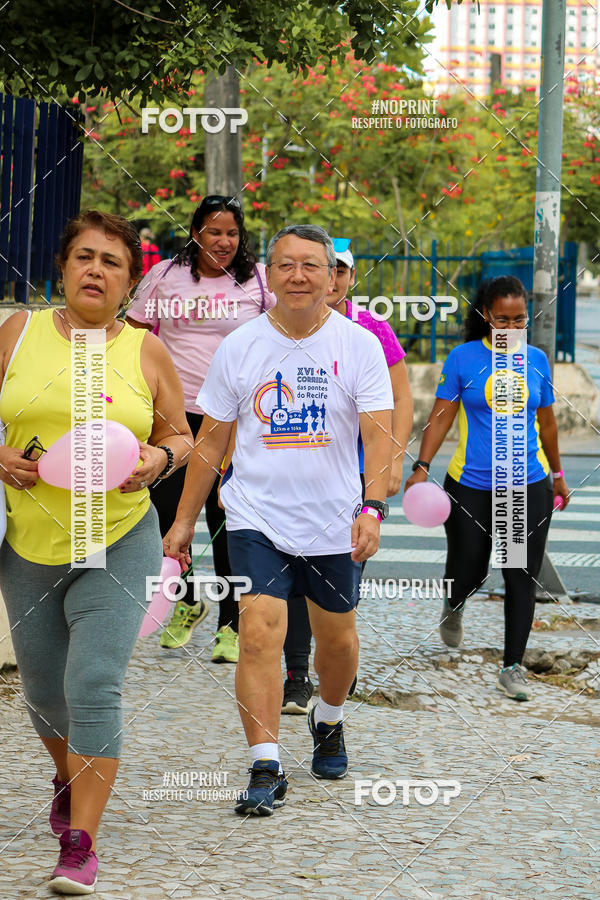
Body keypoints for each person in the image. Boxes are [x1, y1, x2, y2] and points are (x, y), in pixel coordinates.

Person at [164, 224, 393, 815]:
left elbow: (381, 437)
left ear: (332, 276)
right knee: (259, 630)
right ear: (268, 275)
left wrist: (372, 507)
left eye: (311, 265)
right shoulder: (240, 346)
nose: (298, 275)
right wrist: (185, 521)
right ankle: (266, 761)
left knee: (336, 638)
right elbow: (211, 444)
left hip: (333, 521)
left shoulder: (358, 345)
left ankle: (329, 716)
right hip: (254, 515)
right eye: (285, 265)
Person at [0, 209, 192, 893]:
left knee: (93, 683)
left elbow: (181, 436)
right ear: (62, 268)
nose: (95, 270)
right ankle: (66, 775)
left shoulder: (145, 349)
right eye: (84, 256)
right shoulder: (18, 334)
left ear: (129, 283)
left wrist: (157, 460)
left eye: (112, 262)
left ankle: (81, 843)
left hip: (118, 538)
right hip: (31, 541)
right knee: (44, 693)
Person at [404, 275, 569, 702]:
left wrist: (558, 475)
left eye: (519, 320)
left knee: (520, 575)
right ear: (484, 316)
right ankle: (455, 600)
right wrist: (421, 467)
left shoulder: (536, 360)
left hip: (524, 486)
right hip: (471, 484)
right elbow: (440, 416)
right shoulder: (462, 359)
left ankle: (512, 666)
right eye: (502, 320)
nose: (511, 329)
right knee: (471, 566)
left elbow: (548, 422)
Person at [127, 196, 276, 662]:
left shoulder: (258, 279)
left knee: (228, 519)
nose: (224, 241)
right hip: (175, 418)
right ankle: (188, 599)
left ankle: (231, 624)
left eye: (232, 232)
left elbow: (284, 329)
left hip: (235, 419)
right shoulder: (165, 276)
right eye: (214, 231)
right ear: (195, 232)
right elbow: (134, 335)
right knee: (170, 519)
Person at [282, 237, 413, 714]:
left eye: (339, 270)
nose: (331, 278)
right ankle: (296, 675)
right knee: (291, 573)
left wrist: (394, 460)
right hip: (298, 471)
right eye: (324, 268)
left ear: (350, 278)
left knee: (341, 575)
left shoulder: (372, 330)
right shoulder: (283, 326)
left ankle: (337, 660)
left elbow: (400, 397)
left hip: (357, 476)